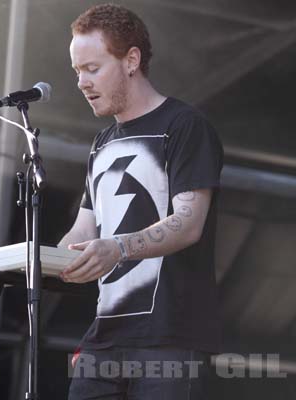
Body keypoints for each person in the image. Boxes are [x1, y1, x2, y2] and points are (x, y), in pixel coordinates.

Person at [59, 4, 223, 399]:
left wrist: (118, 248)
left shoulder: (184, 126)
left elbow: (188, 222)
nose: (82, 82)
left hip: (169, 337)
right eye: (77, 71)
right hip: (103, 337)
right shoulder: (101, 144)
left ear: (131, 60)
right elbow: (84, 229)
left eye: (93, 68)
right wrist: (37, 258)